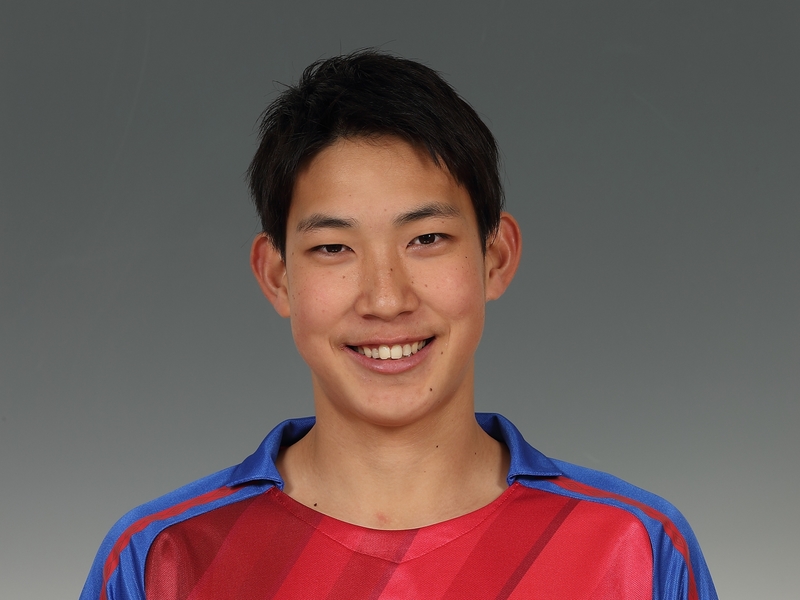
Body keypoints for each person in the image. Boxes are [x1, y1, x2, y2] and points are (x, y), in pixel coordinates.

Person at [80, 50, 717, 600]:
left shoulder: (634, 547)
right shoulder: (163, 558)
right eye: (333, 247)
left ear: (496, 258)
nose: (386, 300)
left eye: (427, 239)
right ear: (276, 277)